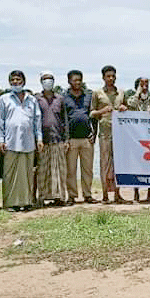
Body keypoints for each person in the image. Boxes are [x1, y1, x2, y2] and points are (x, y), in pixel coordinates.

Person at [0, 70, 43, 211]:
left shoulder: (31, 99)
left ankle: (27, 201)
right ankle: (11, 203)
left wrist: (39, 139)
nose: (15, 82)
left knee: (27, 174)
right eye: (13, 80)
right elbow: (0, 121)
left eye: (18, 79)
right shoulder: (4, 99)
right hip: (10, 142)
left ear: (24, 81)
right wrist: (0, 140)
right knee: (10, 175)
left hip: (29, 143)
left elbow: (37, 121)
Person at [91, 65, 129, 204]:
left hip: (119, 135)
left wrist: (125, 108)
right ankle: (105, 195)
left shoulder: (121, 93)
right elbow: (92, 113)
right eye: (108, 76)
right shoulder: (97, 93)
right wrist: (102, 111)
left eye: (113, 76)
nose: (111, 78)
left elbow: (129, 111)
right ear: (103, 78)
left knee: (118, 164)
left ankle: (118, 195)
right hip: (104, 134)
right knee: (104, 164)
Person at [63, 70, 97, 205]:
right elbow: (62, 118)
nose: (77, 82)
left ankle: (88, 194)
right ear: (69, 81)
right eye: (74, 80)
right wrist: (65, 138)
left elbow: (93, 115)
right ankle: (71, 196)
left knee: (87, 169)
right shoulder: (64, 97)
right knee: (70, 170)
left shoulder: (88, 96)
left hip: (86, 138)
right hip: (71, 139)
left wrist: (94, 133)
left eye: (79, 80)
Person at [36, 71, 68, 207]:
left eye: (50, 79)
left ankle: (59, 197)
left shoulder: (60, 99)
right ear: (41, 82)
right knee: (43, 170)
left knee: (58, 170)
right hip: (42, 140)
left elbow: (65, 120)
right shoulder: (37, 99)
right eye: (45, 79)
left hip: (58, 138)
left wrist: (66, 139)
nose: (47, 82)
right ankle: (42, 197)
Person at [127, 77, 150, 203]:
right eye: (142, 85)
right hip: (135, 138)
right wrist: (138, 92)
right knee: (135, 166)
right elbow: (131, 105)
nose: (145, 87)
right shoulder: (131, 99)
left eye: (147, 85)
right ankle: (136, 194)